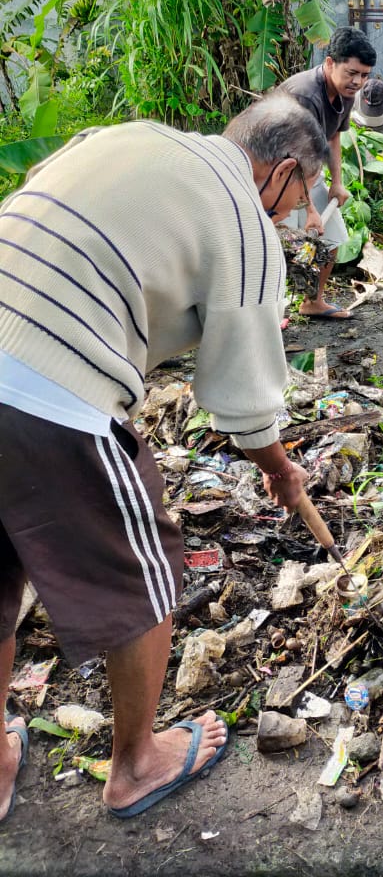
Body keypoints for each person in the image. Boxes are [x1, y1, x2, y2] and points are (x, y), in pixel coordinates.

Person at [0, 94, 329, 823]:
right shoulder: (243, 218)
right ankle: (138, 763)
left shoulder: (134, 135)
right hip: (44, 387)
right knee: (146, 565)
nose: (295, 214)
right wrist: (279, 467)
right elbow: (242, 397)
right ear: (279, 173)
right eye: (302, 195)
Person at [280, 27, 376, 318]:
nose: (358, 82)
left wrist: (337, 183)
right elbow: (293, 156)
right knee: (282, 249)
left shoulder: (345, 92)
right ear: (330, 62)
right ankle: (271, 313)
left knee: (332, 240)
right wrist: (308, 207)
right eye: (352, 73)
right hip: (278, 178)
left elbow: (334, 136)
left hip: (309, 174)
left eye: (364, 75)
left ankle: (312, 302)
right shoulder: (305, 95)